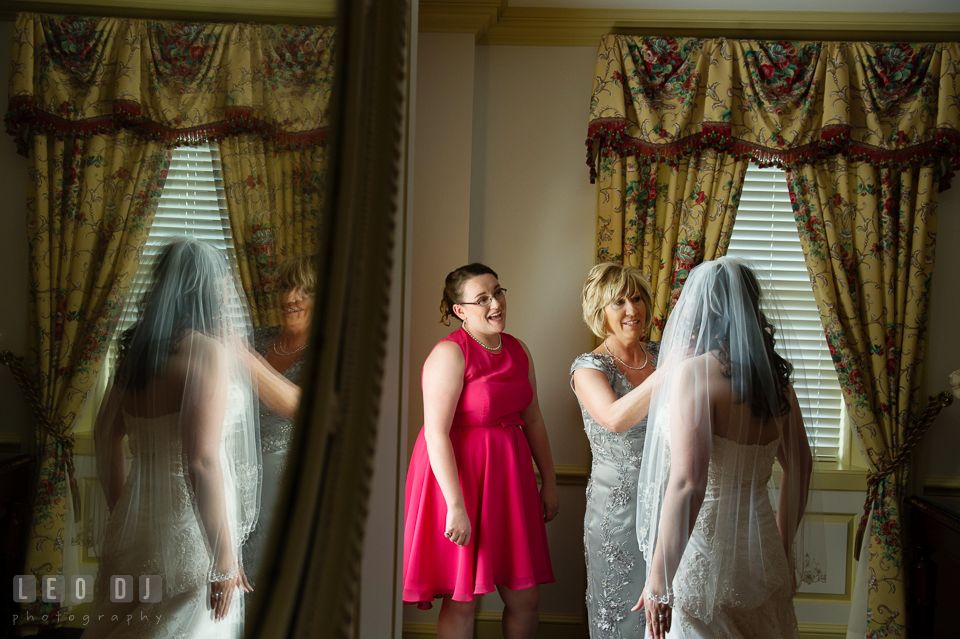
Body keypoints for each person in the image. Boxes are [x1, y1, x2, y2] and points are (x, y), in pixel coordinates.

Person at [86, 238, 260, 639]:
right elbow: (200, 460)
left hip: (138, 520)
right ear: (206, 288)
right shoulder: (207, 353)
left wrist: (124, 512)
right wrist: (222, 557)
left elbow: (104, 434)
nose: (231, 289)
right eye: (224, 281)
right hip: (192, 530)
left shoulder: (138, 353)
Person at [632, 257, 814, 639]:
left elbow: (688, 484)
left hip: (704, 552)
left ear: (702, 309)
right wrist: (781, 548)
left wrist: (659, 581)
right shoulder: (777, 383)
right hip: (763, 551)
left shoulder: (694, 374)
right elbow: (802, 466)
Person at [403, 263, 558, 639]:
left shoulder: (519, 350)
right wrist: (456, 505)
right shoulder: (449, 354)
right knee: (463, 599)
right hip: (459, 480)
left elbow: (533, 418)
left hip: (509, 479)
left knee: (526, 597)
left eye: (499, 292)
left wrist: (549, 483)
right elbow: (436, 434)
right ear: (460, 310)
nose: (496, 303)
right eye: (483, 298)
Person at [570, 263, 661, 638]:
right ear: (599, 311)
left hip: (671, 499)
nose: (631, 310)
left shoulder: (661, 352)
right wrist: (671, 372)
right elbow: (613, 418)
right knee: (622, 612)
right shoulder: (589, 367)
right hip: (617, 511)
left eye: (637, 298)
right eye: (618, 302)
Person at [241, 255, 315, 585]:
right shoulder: (255, 338)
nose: (291, 298)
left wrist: (243, 358)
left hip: (284, 486)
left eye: (304, 290)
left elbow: (301, 405)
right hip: (233, 477)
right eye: (286, 287)